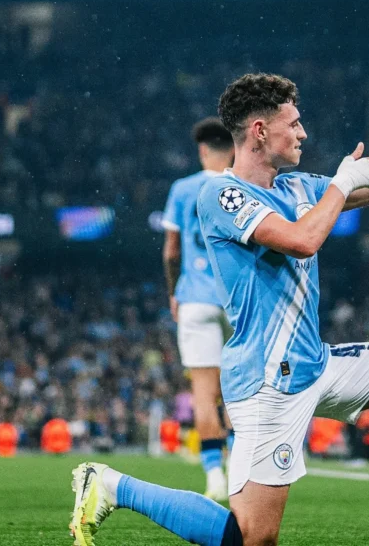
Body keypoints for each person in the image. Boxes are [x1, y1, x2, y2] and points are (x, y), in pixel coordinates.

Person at [68, 72, 369, 546]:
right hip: (265, 381)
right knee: (253, 539)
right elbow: (301, 240)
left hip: (315, 365)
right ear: (259, 131)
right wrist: (339, 186)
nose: (303, 133)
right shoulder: (222, 194)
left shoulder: (299, 186)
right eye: (293, 124)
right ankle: (111, 485)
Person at [161, 117, 236, 501]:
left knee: (204, 395)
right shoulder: (242, 186)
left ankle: (214, 478)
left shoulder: (183, 188)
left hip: (195, 299)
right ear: (234, 149)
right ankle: (241, 470)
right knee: (241, 390)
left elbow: (172, 250)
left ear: (202, 150)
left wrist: (174, 292)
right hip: (238, 301)